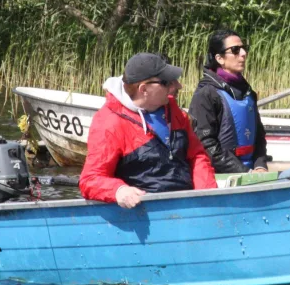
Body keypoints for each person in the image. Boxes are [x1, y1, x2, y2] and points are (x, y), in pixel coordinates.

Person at [79, 52, 217, 208]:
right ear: (143, 89)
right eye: (167, 83)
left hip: (186, 206)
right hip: (145, 213)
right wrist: (119, 190)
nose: (178, 86)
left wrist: (207, 196)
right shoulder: (109, 123)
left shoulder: (172, 109)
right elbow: (90, 179)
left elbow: (197, 155)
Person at [188, 29, 269, 174]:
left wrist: (260, 165)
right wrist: (244, 172)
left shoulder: (248, 92)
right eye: (235, 50)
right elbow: (206, 145)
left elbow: (259, 136)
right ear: (219, 58)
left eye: (244, 48)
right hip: (222, 177)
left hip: (252, 172)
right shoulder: (206, 94)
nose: (243, 53)